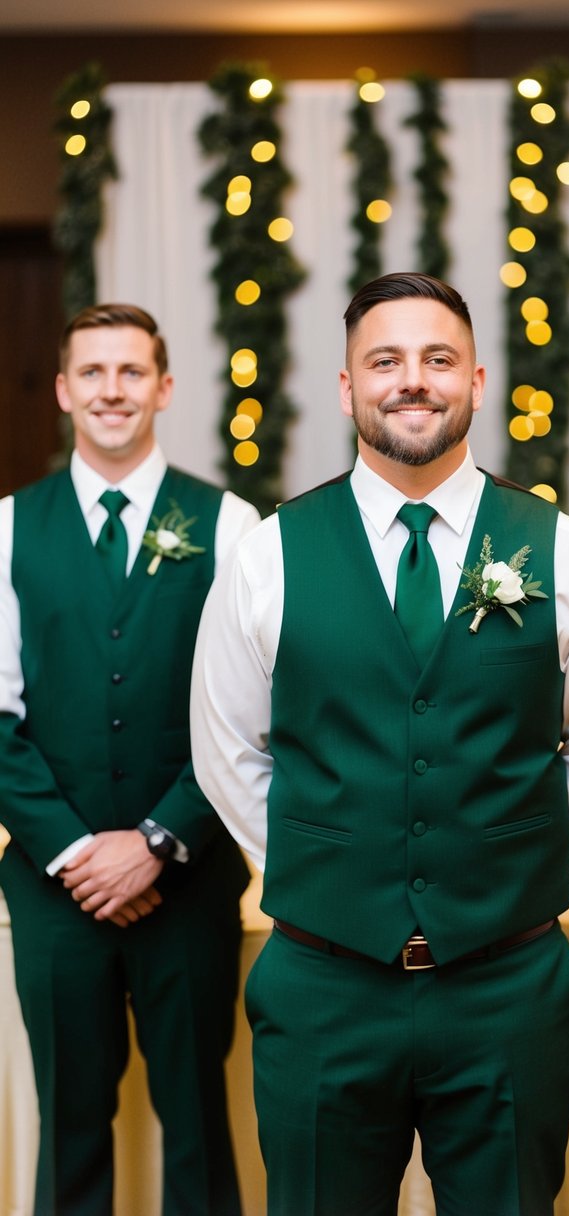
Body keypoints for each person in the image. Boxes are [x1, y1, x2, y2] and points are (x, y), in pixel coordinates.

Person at [190, 270, 569, 1216]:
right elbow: (228, 747)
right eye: (385, 360)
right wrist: (335, 869)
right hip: (322, 987)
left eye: (437, 359)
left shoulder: (562, 551)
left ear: (478, 381)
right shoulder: (268, 553)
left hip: (506, 987)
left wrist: (500, 866)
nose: (413, 380)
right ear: (348, 384)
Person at [0, 303, 259, 1216]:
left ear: (164, 388)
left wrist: (155, 842)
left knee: (197, 1120)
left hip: (187, 880)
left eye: (132, 372)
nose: (113, 390)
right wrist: (76, 853)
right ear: (66, 389)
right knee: (70, 1121)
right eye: (94, 373)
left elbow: (246, 714)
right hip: (51, 888)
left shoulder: (227, 524)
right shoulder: (6, 528)